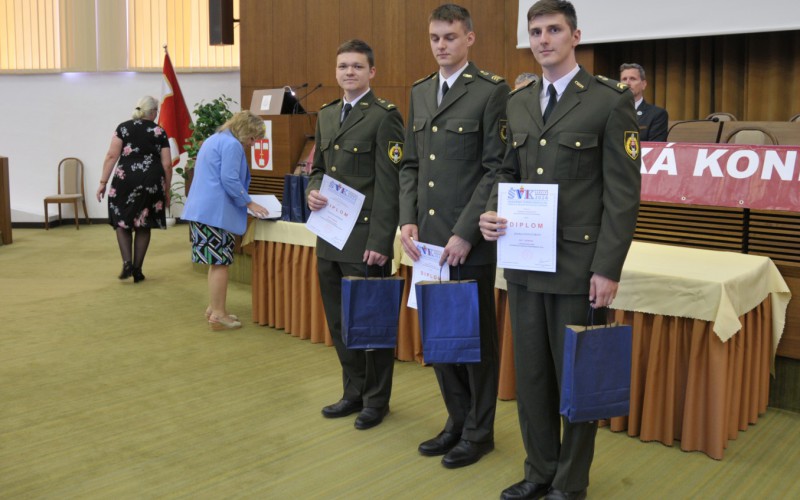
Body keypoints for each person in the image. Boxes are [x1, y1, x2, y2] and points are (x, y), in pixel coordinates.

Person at [479, 1, 641, 499]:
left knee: (576, 378)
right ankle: (539, 472)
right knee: (532, 377)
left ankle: (570, 484)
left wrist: (607, 268)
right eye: (535, 31)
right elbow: (506, 171)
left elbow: (622, 195)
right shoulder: (518, 102)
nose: (543, 39)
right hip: (525, 263)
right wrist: (491, 211)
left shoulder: (608, 101)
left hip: (577, 266)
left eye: (553, 29)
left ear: (575, 36)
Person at [399, 3, 510, 469]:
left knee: (474, 342)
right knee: (441, 339)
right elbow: (411, 164)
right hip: (427, 244)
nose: (441, 45)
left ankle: (479, 433)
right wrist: (407, 219)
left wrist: (466, 233)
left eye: (450, 37)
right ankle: (456, 421)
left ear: (469, 39)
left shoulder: (491, 91)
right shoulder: (421, 91)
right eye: (435, 38)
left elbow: (496, 169)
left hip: (468, 243)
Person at [306, 39, 404, 431]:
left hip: (364, 242)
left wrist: (381, 242)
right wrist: (313, 189)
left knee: (371, 325)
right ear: (336, 71)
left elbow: (390, 185)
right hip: (329, 237)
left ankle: (376, 400)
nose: (349, 72)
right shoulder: (327, 114)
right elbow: (318, 167)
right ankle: (354, 392)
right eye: (343, 66)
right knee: (340, 324)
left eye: (357, 66)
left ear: (371, 72)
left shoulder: (384, 117)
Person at [181, 111, 269, 331]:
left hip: (203, 211)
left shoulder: (215, 138)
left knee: (216, 262)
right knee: (221, 264)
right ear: (245, 130)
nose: (252, 144)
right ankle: (219, 314)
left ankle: (214, 308)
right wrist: (249, 203)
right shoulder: (232, 145)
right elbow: (229, 179)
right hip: (215, 213)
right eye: (253, 138)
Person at [96, 96, 172, 283]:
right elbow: (167, 164)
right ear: (152, 112)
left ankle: (127, 263)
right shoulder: (159, 131)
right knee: (143, 224)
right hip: (151, 182)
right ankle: (137, 270)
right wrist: (166, 190)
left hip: (125, 180)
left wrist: (103, 182)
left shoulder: (123, 128)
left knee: (122, 220)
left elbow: (112, 155)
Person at [619, 62, 669, 141]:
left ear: (643, 84)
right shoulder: (610, 112)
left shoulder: (656, 114)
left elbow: (655, 146)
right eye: (624, 79)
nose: (627, 83)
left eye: (632, 79)